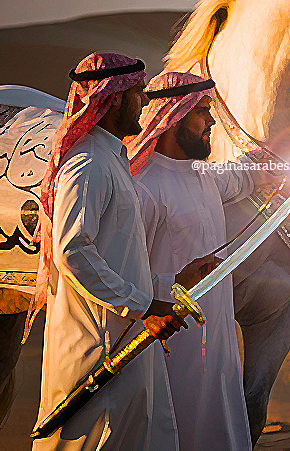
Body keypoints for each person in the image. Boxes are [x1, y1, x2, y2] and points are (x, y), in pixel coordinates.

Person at [28, 52, 186, 451]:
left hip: (126, 341)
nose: (144, 102)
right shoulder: (88, 165)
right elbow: (72, 252)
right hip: (98, 350)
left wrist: (168, 285)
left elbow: (118, 257)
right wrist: (141, 307)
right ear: (113, 98)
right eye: (136, 92)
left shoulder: (112, 160)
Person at [126, 71, 260, 451]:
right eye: (202, 112)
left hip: (216, 342)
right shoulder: (143, 188)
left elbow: (240, 178)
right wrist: (170, 284)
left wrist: (280, 162)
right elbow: (125, 274)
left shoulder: (203, 175)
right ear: (172, 118)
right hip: (167, 347)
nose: (212, 121)